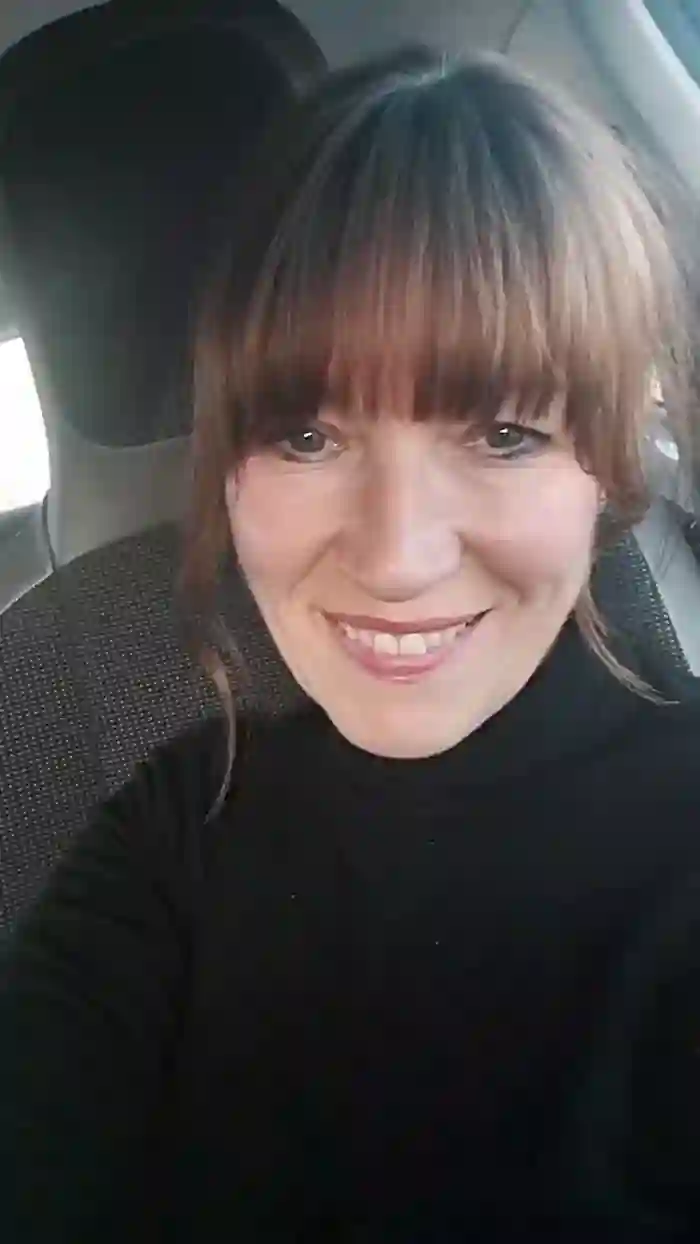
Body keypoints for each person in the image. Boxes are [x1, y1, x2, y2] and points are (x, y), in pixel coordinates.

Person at [2, 46, 700, 1243]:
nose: (395, 557)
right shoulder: (172, 835)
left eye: (502, 432)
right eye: (307, 437)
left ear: (606, 466)